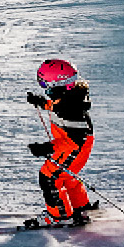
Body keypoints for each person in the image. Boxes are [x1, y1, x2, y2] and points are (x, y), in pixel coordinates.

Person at [22, 58, 95, 229]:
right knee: (67, 176)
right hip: (76, 147)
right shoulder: (68, 98)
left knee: (48, 177)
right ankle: (80, 207)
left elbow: (74, 140)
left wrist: (48, 147)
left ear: (59, 84)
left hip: (73, 148)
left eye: (47, 86)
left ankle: (59, 216)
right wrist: (41, 102)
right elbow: (56, 107)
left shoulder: (69, 108)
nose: (46, 90)